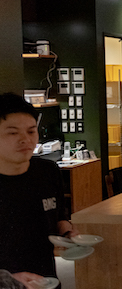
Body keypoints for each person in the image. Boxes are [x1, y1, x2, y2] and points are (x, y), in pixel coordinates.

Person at [0, 93, 76, 289]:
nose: (25, 139)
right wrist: (7, 279)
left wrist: (69, 234)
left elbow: (59, 218)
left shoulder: (48, 172)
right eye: (13, 133)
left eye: (31, 131)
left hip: (47, 281)